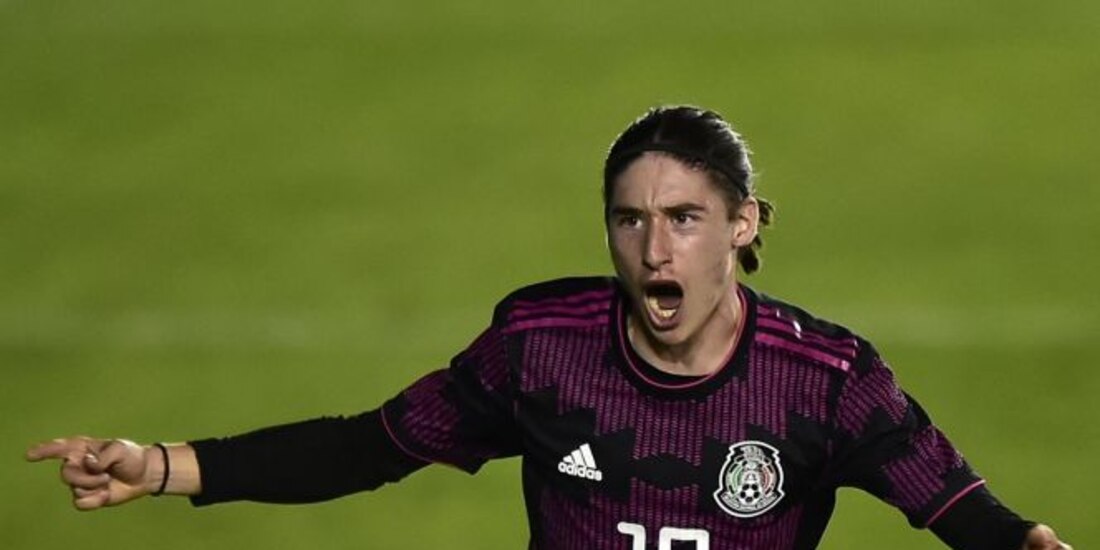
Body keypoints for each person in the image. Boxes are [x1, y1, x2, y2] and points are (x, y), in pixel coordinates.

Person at [27, 106, 1070, 550]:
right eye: (630, 219)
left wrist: (1022, 538)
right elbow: (367, 447)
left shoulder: (824, 377)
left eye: (685, 219)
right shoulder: (540, 348)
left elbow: (958, 508)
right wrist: (160, 465)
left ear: (744, 226)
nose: (654, 250)